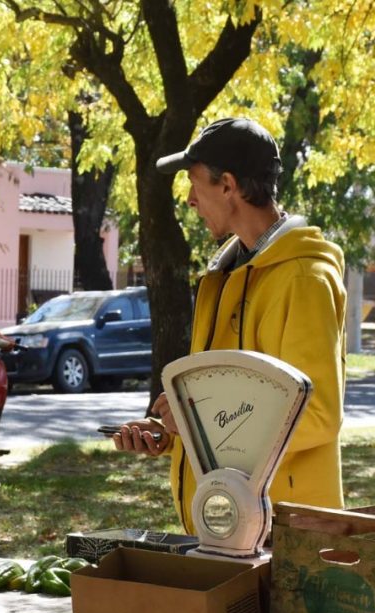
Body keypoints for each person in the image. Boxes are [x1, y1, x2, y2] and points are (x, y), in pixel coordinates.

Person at [113, 117, 347, 535]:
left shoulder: (304, 278)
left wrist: (196, 421)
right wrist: (171, 433)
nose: (189, 199)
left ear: (227, 185)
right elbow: (234, 406)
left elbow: (317, 414)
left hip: (286, 537)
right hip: (229, 529)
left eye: (194, 182)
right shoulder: (225, 273)